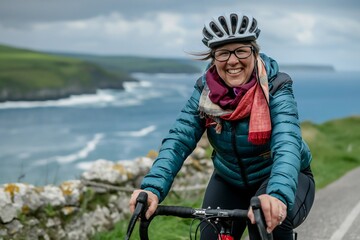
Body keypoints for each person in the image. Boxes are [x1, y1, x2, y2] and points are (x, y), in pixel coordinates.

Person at [129, 11, 315, 240]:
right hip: (229, 179)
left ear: (254, 52)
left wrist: (276, 196)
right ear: (213, 58)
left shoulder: (277, 86)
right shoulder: (204, 92)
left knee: (266, 224)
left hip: (281, 177)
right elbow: (179, 139)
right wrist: (152, 189)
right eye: (223, 53)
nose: (233, 61)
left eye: (241, 51)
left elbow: (287, 144)